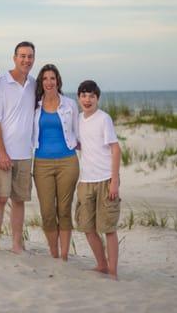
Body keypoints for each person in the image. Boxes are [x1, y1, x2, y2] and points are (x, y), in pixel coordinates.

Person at [0, 41, 36, 254]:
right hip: (3, 154)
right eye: (22, 56)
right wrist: (2, 153)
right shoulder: (0, 83)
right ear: (14, 58)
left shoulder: (34, 84)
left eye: (30, 56)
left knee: (19, 200)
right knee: (0, 199)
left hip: (25, 154)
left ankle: (17, 245)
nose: (26, 60)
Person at [32, 64, 79, 261]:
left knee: (64, 209)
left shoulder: (70, 104)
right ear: (41, 83)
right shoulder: (34, 105)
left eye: (52, 78)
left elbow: (79, 131)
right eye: (45, 79)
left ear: (58, 81)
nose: (49, 82)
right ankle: (54, 253)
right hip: (42, 163)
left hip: (68, 162)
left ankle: (65, 255)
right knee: (48, 212)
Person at [75, 80, 121, 279]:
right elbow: (80, 144)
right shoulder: (77, 119)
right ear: (79, 98)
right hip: (85, 181)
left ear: (97, 98)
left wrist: (114, 180)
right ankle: (101, 264)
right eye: (84, 96)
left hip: (105, 179)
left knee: (108, 228)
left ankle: (112, 270)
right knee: (87, 226)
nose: (87, 100)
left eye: (91, 96)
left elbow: (115, 148)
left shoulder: (104, 119)